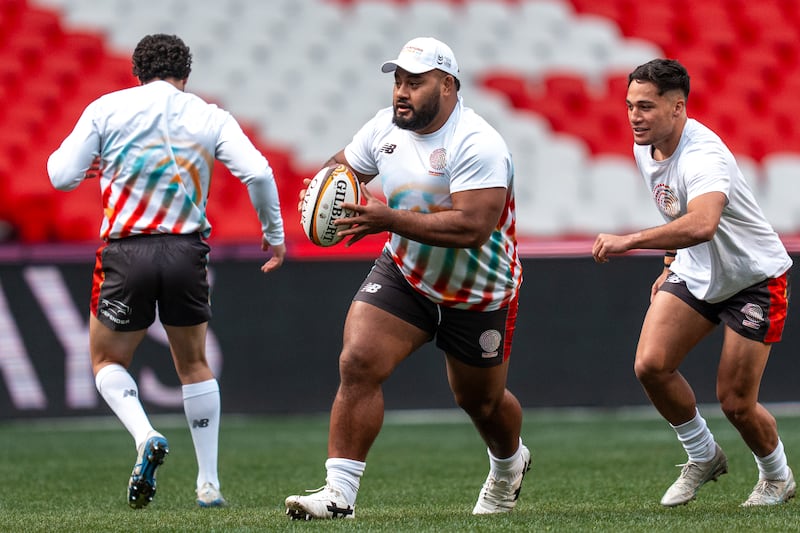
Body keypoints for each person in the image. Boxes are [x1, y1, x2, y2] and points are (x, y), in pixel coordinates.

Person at [284, 37, 529, 520]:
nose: (401, 91)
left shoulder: (478, 143)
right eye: (398, 80)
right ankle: (339, 496)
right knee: (358, 361)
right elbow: (339, 168)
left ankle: (508, 464)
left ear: (448, 85)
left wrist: (387, 219)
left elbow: (473, 228)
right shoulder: (383, 129)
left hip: (477, 292)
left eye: (414, 82)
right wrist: (324, 196)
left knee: (480, 403)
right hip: (406, 275)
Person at [47, 34, 286, 509]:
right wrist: (273, 233)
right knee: (194, 364)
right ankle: (209, 484)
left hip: (126, 253)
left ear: (135, 73)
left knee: (106, 362)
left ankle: (145, 436)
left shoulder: (106, 108)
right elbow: (258, 172)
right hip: (185, 252)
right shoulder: (208, 114)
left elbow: (59, 175)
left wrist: (93, 168)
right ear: (186, 76)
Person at [592, 58, 795, 507]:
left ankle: (777, 477)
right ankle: (702, 455)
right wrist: (668, 262)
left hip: (753, 278)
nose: (633, 117)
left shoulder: (705, 155)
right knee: (650, 365)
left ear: (678, 107)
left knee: (737, 403)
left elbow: (701, 223)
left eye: (645, 107)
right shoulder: (644, 146)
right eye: (629, 106)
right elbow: (676, 211)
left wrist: (630, 241)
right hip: (696, 271)